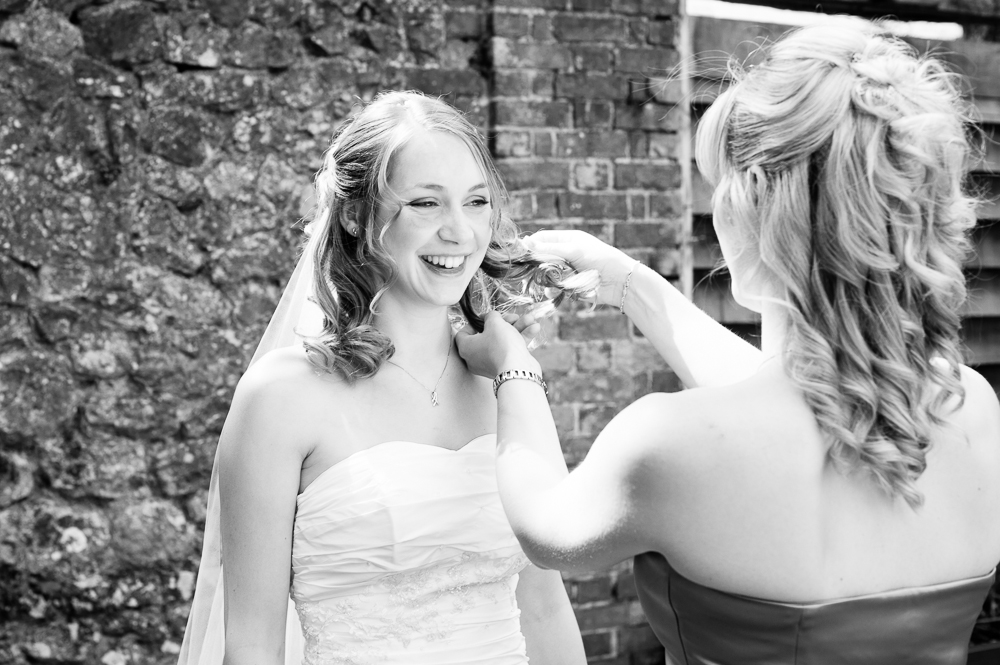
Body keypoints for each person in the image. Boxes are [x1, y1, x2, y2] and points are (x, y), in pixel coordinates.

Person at [456, 23, 1000, 664]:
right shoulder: (973, 408)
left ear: (754, 211)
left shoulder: (670, 439)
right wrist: (631, 285)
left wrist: (512, 368)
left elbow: (548, 533)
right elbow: (800, 403)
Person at [176, 91, 591, 665]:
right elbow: (252, 646)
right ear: (355, 214)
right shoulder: (281, 399)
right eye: (425, 203)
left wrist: (514, 365)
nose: (460, 232)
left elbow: (543, 607)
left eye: (476, 201)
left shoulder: (506, 384)